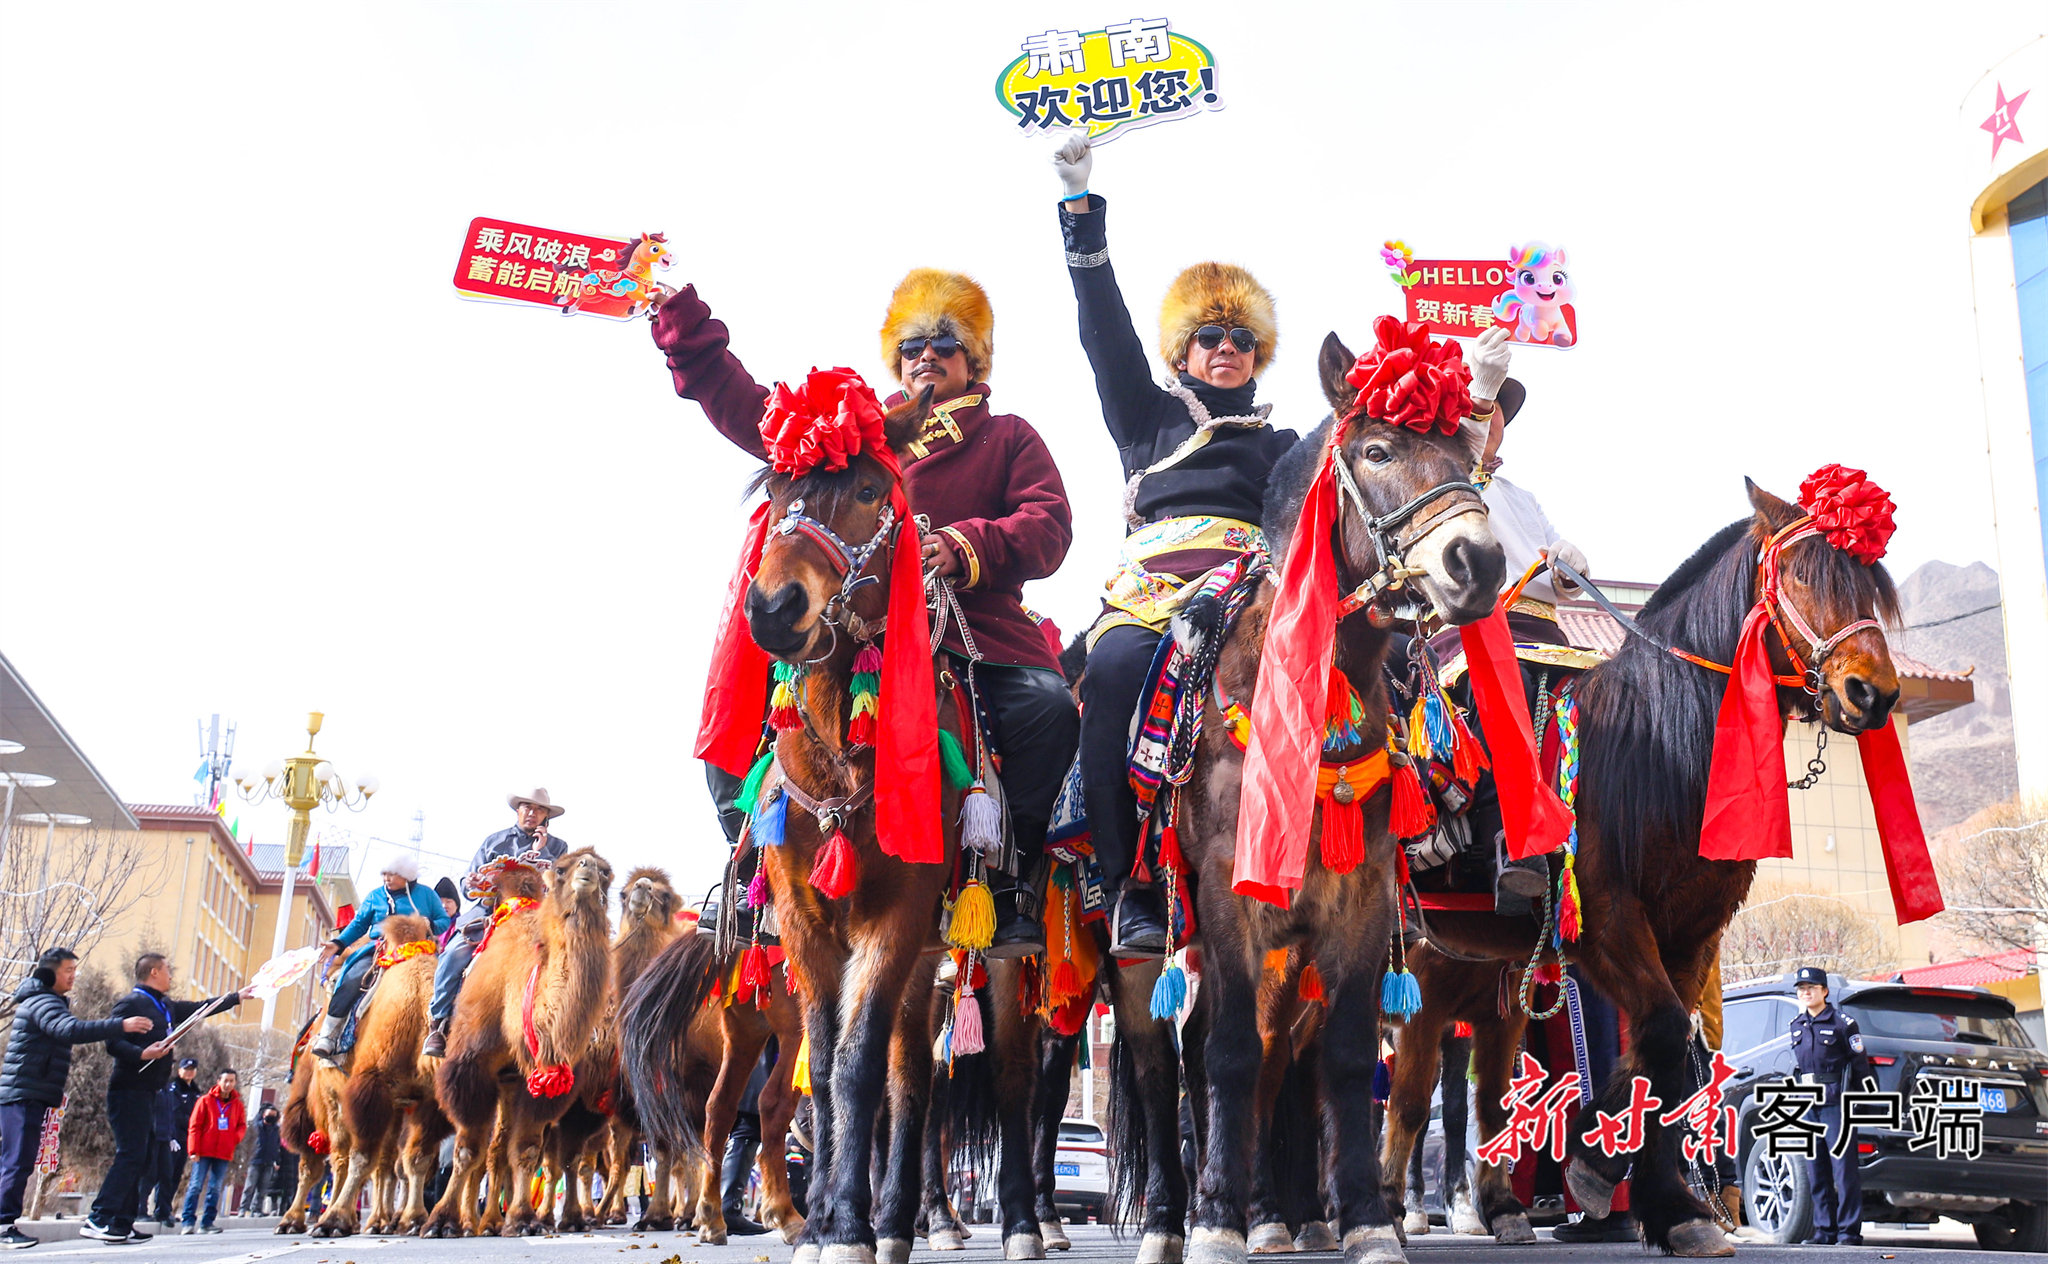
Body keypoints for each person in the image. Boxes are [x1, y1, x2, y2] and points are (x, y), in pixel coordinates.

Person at [653, 267, 1079, 956]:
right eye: (912, 344)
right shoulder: (854, 436)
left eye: (945, 342)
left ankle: (1009, 880)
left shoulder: (1009, 437)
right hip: (859, 626)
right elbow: (748, 409)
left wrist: (967, 545)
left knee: (1050, 710)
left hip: (974, 623)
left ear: (974, 359)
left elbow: (1049, 523)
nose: (926, 355)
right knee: (738, 709)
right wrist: (678, 322)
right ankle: (748, 866)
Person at [1049, 134, 1308, 955]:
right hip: (1148, 594)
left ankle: (1356, 865)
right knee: (1117, 667)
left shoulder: (1287, 442)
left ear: (1257, 355)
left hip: (1245, 589)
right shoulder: (1147, 415)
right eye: (1209, 337)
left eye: (1239, 338)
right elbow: (1101, 331)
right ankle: (1128, 885)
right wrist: (1079, 212)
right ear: (1183, 353)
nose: (1225, 347)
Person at [83, 955, 252, 1244]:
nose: (171, 976)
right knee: (130, 1155)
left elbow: (201, 1010)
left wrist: (237, 996)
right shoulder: (131, 1004)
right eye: (167, 971)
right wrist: (142, 1054)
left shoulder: (166, 1006)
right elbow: (112, 1042)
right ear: (153, 972)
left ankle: (122, 1224)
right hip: (128, 1090)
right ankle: (98, 1216)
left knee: (143, 1156)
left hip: (150, 1092)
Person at [0, 948, 154, 1251]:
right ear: (49, 973)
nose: (73, 976)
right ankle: (4, 1224)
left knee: (19, 1161)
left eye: (75, 969)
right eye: (68, 970)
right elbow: (69, 1030)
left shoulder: (48, 1001)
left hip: (31, 1094)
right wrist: (119, 1025)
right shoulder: (41, 1001)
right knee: (16, 1161)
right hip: (22, 1093)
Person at [423, 790, 568, 1057]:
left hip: (535, 915)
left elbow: (559, 888)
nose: (532, 813)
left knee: (569, 958)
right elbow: (467, 885)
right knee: (453, 954)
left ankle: (569, 1027)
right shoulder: (495, 841)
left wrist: (541, 852)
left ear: (547, 816)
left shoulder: (559, 848)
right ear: (517, 810)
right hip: (489, 913)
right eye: (526, 807)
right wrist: (474, 883)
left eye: (538, 809)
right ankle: (438, 1023)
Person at [308, 853, 449, 1062]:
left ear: (406, 875)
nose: (387, 879)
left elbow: (443, 921)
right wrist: (338, 944)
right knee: (352, 978)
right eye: (384, 874)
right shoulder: (375, 896)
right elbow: (358, 925)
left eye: (392, 874)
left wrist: (429, 924)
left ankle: (443, 1034)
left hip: (420, 950)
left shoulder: (427, 895)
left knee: (445, 983)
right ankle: (329, 1035)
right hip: (380, 950)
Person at [1789, 967, 1869, 1246]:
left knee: (1843, 1171)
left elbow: (1860, 1066)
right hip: (1808, 1104)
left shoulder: (1843, 1024)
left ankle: (1849, 1231)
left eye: (1811, 987)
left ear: (1824, 991)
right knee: (1816, 1169)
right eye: (1801, 988)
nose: (1806, 992)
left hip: (1837, 1103)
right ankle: (1824, 1230)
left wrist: (1859, 1103)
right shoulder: (1797, 1025)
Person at [176, 1069, 243, 1234]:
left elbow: (241, 1125)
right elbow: (194, 1126)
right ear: (219, 1081)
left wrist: (234, 1138)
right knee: (196, 1186)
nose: (228, 1084)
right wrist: (193, 1150)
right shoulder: (205, 1101)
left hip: (224, 1151)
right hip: (203, 1150)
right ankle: (188, 1222)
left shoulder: (237, 1104)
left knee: (215, 1187)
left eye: (232, 1081)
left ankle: (207, 1223)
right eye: (225, 1080)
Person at [148, 1059, 202, 1225]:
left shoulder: (195, 1090)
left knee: (175, 1175)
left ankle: (166, 1209)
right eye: (186, 1069)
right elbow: (175, 1113)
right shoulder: (172, 1088)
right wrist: (192, 1122)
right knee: (164, 1174)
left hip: (186, 1138)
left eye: (192, 1069)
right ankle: (156, 1209)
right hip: (172, 1136)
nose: (189, 1072)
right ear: (179, 1071)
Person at [237, 1105, 280, 1217]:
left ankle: (256, 1209)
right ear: (263, 1115)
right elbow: (247, 1143)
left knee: (263, 1188)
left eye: (273, 1115)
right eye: (269, 1115)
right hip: (255, 1160)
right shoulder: (256, 1127)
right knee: (250, 1186)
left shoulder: (276, 1130)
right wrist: (246, 1159)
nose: (271, 1117)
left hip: (269, 1162)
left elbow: (277, 1145)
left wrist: (276, 1160)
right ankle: (243, 1208)